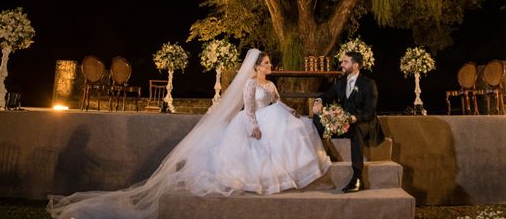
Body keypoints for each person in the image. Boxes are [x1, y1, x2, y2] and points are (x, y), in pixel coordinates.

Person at [48, 49, 330, 219]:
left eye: (270, 64)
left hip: (274, 115)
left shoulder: (271, 84)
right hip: (255, 120)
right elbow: (250, 108)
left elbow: (277, 101)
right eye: (266, 64)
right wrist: (254, 125)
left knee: (297, 126)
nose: (269, 67)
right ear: (256, 67)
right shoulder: (249, 85)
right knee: (260, 145)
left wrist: (291, 111)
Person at [312, 50, 385, 193]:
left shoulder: (369, 84)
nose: (341, 64)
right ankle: (317, 162)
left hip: (364, 122)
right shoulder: (340, 82)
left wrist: (354, 118)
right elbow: (327, 95)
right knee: (317, 121)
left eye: (345, 62)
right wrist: (318, 101)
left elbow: (370, 112)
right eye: (342, 61)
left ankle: (357, 177)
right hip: (344, 122)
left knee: (355, 129)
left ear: (356, 65)